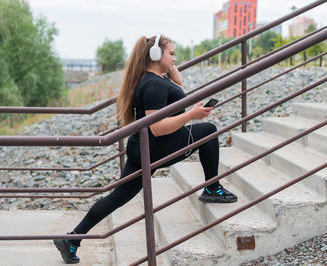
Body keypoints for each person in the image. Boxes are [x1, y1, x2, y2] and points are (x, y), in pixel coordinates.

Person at [53, 34, 238, 264]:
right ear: (155, 55)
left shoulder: (154, 78)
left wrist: (167, 63)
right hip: (159, 146)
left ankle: (71, 240)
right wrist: (192, 115)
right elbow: (158, 128)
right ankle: (212, 188)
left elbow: (178, 83)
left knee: (117, 197)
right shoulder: (153, 86)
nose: (175, 58)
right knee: (208, 130)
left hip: (143, 147)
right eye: (171, 53)